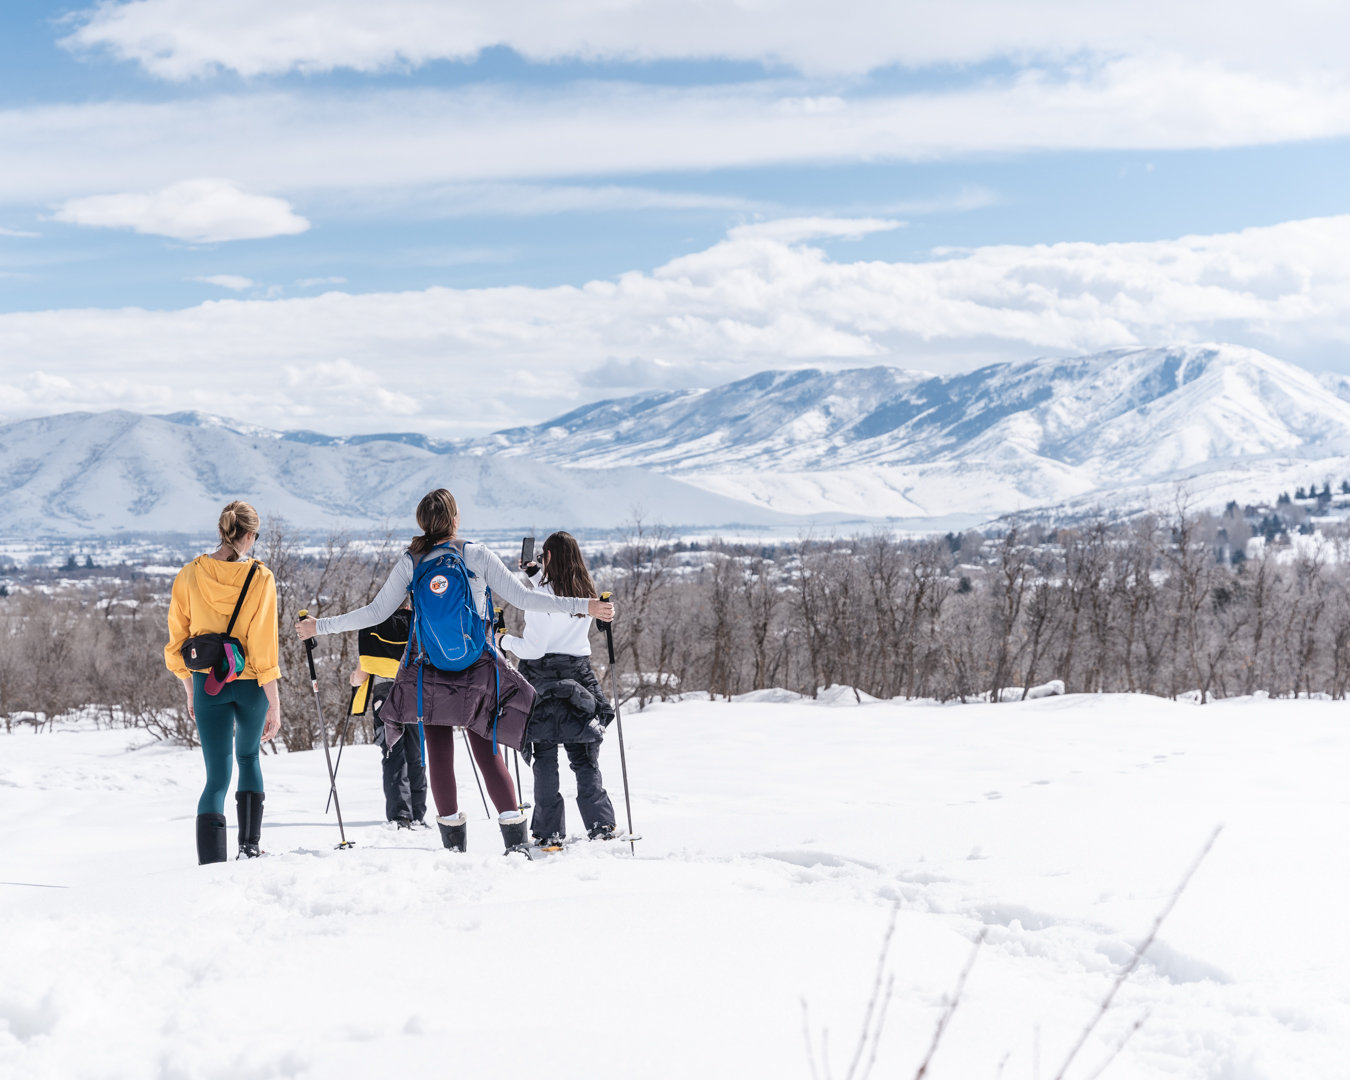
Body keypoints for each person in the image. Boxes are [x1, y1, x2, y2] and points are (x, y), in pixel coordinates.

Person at [295, 489, 615, 855]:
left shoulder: (412, 561)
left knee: (439, 753)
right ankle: (514, 843)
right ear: (455, 519)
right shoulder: (474, 554)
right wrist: (584, 605)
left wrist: (319, 627)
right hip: (478, 668)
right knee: (487, 751)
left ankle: (453, 848)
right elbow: (524, 598)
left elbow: (375, 613)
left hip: (429, 670)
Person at [165, 501, 281, 864]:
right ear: (248, 536)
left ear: (221, 531)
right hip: (250, 686)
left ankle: (211, 864)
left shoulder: (189, 574)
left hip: (206, 684)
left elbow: (178, 642)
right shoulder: (261, 579)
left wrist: (190, 689)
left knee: (216, 777)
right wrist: (274, 704)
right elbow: (264, 647)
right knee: (249, 758)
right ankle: (249, 848)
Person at [500, 532, 617, 849]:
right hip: (579, 678)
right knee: (584, 757)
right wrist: (534, 573)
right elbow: (558, 596)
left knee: (546, 759)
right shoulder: (586, 593)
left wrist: (502, 642)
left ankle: (550, 830)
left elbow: (534, 648)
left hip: (542, 681)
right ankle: (600, 824)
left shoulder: (540, 597)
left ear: (548, 556)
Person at [347, 605, 428, 828]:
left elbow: (361, 674)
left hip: (386, 695)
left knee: (394, 752)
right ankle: (418, 813)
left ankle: (400, 815)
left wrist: (354, 679)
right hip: (416, 693)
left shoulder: (375, 623)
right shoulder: (420, 622)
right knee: (416, 752)